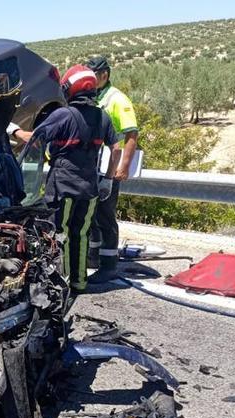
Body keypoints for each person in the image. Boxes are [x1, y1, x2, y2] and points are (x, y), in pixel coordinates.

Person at [26, 65, 119, 293]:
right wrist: (108, 178)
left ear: (69, 89)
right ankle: (79, 282)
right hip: (90, 189)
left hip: (63, 188)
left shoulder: (63, 115)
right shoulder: (102, 117)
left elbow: (35, 139)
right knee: (81, 234)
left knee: (60, 234)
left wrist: (11, 130)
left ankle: (62, 284)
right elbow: (117, 149)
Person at [85, 56, 139, 284]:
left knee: (106, 215)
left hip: (110, 167)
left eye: (93, 76)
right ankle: (93, 257)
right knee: (93, 215)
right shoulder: (94, 97)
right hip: (94, 167)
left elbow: (131, 133)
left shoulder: (116, 99)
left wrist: (123, 167)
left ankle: (109, 265)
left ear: (104, 75)